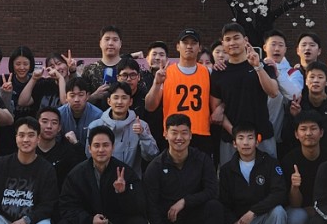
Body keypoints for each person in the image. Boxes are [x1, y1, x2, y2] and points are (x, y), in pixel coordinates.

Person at [58, 125, 147, 224]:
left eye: (106, 145)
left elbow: (140, 206)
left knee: (140, 223)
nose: (101, 150)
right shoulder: (77, 173)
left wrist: (123, 193)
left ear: (113, 147)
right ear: (89, 148)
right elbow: (67, 206)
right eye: (96, 145)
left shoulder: (125, 172)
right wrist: (89, 220)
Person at [142, 114, 224, 224]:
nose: (179, 138)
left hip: (195, 218)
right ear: (165, 134)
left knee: (215, 207)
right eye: (174, 132)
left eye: (184, 133)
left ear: (191, 135)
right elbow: (150, 206)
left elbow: (212, 191)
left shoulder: (202, 160)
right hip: (169, 222)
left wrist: (185, 201)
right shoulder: (155, 167)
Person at [217, 125, 288, 224]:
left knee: (279, 212)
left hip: (265, 219)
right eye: (241, 138)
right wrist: (233, 223)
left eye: (250, 138)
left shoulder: (270, 163)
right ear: (234, 143)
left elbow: (279, 193)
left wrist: (254, 212)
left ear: (257, 141)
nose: (246, 143)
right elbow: (223, 203)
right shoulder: (226, 170)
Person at [210, 22, 278, 163]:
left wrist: (257, 66)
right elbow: (216, 109)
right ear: (223, 44)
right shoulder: (219, 71)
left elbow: (273, 92)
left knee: (268, 174)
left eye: (236, 38)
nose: (232, 43)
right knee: (230, 175)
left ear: (245, 40)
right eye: (228, 39)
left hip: (262, 135)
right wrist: (235, 133)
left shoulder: (263, 65)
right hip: (230, 139)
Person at [145, 28, 214, 156]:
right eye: (185, 43)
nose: (189, 46)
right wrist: (157, 84)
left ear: (199, 48)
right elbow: (150, 106)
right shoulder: (166, 73)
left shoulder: (207, 72)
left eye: (193, 43)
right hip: (174, 133)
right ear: (178, 46)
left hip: (200, 133)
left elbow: (216, 101)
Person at [279, 111, 327, 224]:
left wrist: (316, 209)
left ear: (321, 132)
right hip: (300, 210)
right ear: (296, 134)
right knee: (297, 217)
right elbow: (294, 204)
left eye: (313, 128)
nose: (308, 133)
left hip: (324, 210)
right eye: (303, 129)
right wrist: (295, 187)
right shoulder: (289, 160)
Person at [86, 81, 159, 171]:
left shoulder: (140, 125)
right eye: (116, 98)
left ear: (130, 101)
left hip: (130, 177)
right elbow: (89, 156)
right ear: (109, 101)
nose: (119, 102)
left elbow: (152, 155)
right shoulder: (95, 126)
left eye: (124, 98)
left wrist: (143, 134)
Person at [283, 62, 327, 157]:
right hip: (302, 156)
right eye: (312, 77)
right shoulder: (296, 104)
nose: (316, 81)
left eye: (320, 77)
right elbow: (286, 136)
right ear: (306, 81)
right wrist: (294, 116)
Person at [58, 76, 100, 150]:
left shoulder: (97, 116)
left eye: (81, 95)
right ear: (66, 97)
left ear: (87, 96)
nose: (76, 100)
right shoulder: (59, 114)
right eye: (72, 95)